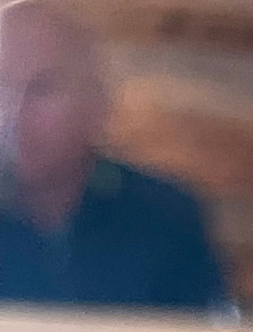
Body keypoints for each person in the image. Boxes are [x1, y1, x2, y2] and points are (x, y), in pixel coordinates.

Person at [0, 1, 229, 310]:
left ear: (96, 102)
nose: (15, 112)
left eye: (43, 88)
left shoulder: (167, 217)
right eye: (2, 86)